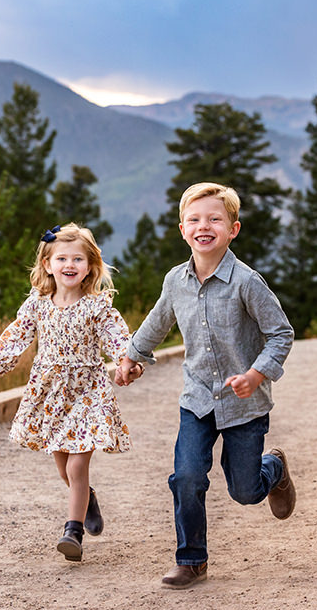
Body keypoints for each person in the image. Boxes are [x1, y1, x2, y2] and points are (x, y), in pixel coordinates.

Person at [115, 182, 294, 589]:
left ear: (233, 228)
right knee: (187, 476)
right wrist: (131, 358)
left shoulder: (247, 282)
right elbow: (156, 324)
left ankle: (275, 467)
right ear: (182, 229)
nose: (204, 226)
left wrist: (256, 374)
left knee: (245, 491)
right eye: (195, 219)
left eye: (215, 218)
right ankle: (191, 559)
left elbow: (281, 333)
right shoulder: (175, 281)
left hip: (244, 404)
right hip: (196, 399)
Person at [0, 222, 142, 562]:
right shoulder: (38, 304)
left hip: (88, 391)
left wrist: (128, 362)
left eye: (78, 259)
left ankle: (72, 532)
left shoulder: (98, 306)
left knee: (77, 467)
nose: (69, 265)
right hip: (50, 395)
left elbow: (119, 338)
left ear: (91, 266)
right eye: (62, 258)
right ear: (47, 264)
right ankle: (87, 498)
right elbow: (15, 339)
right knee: (64, 469)